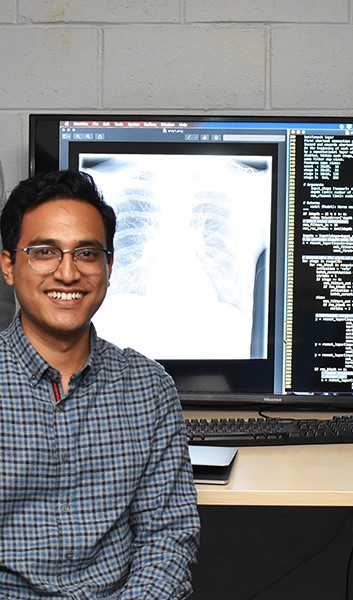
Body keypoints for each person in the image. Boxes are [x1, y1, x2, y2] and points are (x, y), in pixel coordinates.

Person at [0, 170, 200, 598]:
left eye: (87, 254)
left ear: (109, 268)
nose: (67, 273)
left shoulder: (148, 389)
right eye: (44, 252)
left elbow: (167, 539)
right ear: (9, 265)